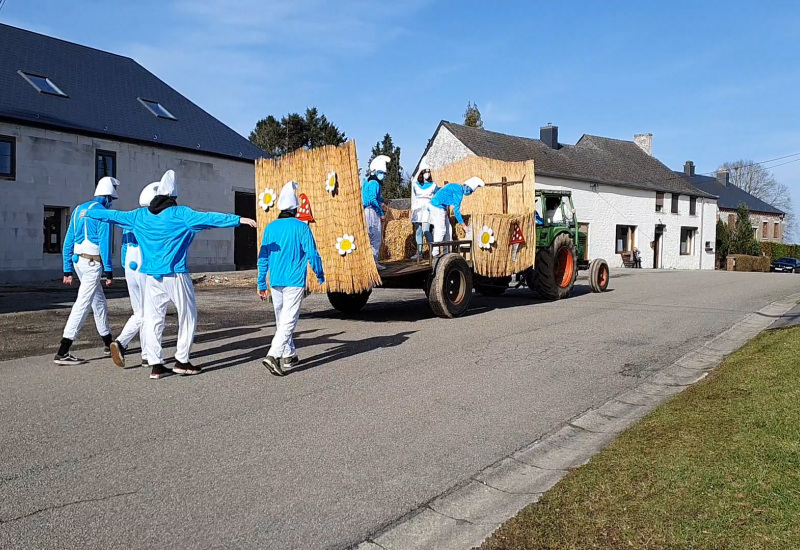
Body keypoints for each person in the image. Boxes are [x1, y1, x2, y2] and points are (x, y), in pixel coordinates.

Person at [86, 170, 257, 380]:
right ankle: (181, 360)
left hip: (151, 276)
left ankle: (156, 364)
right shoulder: (181, 214)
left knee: (153, 318)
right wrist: (239, 220)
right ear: (173, 197)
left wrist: (89, 211)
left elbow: (112, 215)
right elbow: (210, 218)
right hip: (176, 274)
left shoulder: (139, 216)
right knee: (188, 315)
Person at [257, 181, 325, 377]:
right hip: (294, 280)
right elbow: (312, 253)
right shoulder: (301, 227)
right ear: (295, 209)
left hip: (275, 280)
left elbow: (263, 258)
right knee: (289, 320)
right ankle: (273, 355)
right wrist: (319, 274)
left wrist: (262, 282)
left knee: (281, 318)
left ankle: (289, 354)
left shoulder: (270, 228)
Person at [53, 177, 120, 365]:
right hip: (93, 263)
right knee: (82, 303)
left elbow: (68, 241)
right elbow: (105, 244)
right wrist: (109, 271)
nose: (111, 202)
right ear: (107, 197)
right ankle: (63, 350)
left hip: (78, 261)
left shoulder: (78, 210)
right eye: (111, 198)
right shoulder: (104, 213)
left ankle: (108, 342)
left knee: (98, 302)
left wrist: (67, 269)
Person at [109, 181, 159, 369]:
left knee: (140, 311)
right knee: (149, 312)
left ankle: (143, 352)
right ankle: (129, 345)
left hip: (130, 265)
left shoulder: (131, 217)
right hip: (145, 265)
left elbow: (123, 246)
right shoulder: (152, 218)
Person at [427, 177, 485, 257]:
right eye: (470, 191)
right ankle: (435, 253)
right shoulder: (459, 192)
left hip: (438, 205)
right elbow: (456, 211)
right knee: (441, 230)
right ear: (467, 187)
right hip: (437, 206)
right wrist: (464, 225)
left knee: (448, 229)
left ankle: (446, 252)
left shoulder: (456, 186)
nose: (470, 193)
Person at [362, 155, 390, 270]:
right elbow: (373, 199)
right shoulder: (375, 183)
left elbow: (375, 196)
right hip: (372, 212)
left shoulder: (367, 181)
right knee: (375, 237)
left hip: (366, 210)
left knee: (368, 236)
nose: (383, 176)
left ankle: (368, 262)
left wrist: (384, 200)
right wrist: (381, 213)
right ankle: (374, 262)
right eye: (382, 173)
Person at [410, 160, 438, 261]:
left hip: (428, 209)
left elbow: (437, 197)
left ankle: (434, 252)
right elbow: (415, 196)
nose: (427, 173)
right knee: (418, 232)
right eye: (425, 171)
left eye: (428, 171)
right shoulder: (416, 185)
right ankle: (419, 253)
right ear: (421, 173)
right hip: (418, 209)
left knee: (426, 230)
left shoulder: (434, 185)